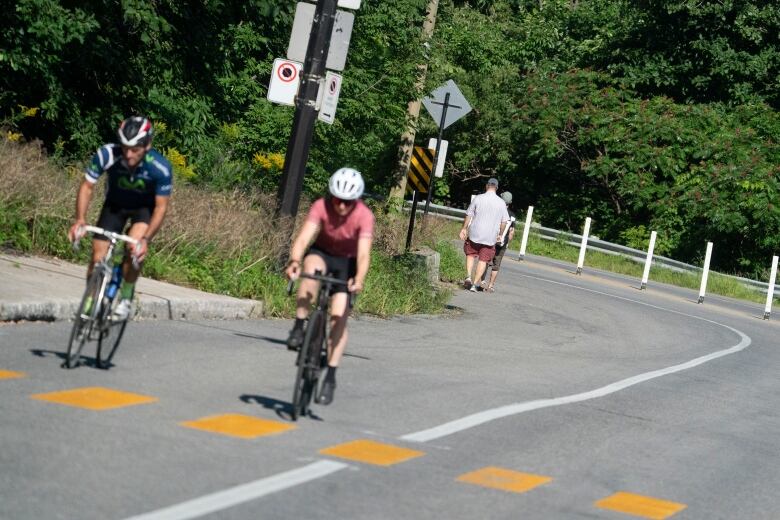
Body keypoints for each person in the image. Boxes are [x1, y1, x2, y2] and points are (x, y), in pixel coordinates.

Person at [285, 167, 375, 405]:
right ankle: (299, 325)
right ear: (331, 195)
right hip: (322, 252)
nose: (342, 206)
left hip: (347, 262)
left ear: (355, 200)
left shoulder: (364, 216)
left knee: (338, 317)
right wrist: (295, 260)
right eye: (338, 200)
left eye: (348, 202)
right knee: (310, 271)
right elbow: (304, 239)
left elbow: (364, 254)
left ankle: (331, 376)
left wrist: (359, 279)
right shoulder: (320, 207)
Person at [67, 116, 172, 320]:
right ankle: (90, 300)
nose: (128, 154)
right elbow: (87, 186)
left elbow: (160, 208)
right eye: (124, 147)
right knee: (97, 257)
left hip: (143, 210)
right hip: (115, 206)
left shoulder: (160, 167)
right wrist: (80, 219)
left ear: (147, 145)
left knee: (133, 251)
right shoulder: (108, 154)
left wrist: (145, 240)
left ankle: (125, 295)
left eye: (135, 149)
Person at [459, 178, 509, 292]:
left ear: (487, 186)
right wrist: (500, 234)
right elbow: (504, 221)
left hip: (475, 233)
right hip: (490, 237)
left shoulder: (478, 198)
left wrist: (464, 228)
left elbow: (469, 214)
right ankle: (474, 284)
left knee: (470, 254)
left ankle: (468, 277)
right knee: (483, 260)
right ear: (496, 188)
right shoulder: (501, 203)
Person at [482, 191, 516, 292]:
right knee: (496, 265)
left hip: (491, 240)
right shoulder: (512, 215)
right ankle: (491, 285)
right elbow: (511, 233)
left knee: (485, 260)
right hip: (502, 243)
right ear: (509, 202)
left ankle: (482, 281)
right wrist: (507, 242)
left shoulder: (495, 210)